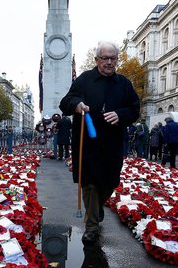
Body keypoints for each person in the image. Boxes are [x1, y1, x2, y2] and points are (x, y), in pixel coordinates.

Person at [59, 41, 140, 243]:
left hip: (112, 144)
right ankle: (92, 226)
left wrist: (120, 115)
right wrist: (76, 105)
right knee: (90, 185)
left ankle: (96, 209)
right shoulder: (84, 80)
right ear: (97, 60)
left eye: (113, 58)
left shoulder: (124, 84)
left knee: (110, 182)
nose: (109, 62)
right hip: (87, 144)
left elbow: (134, 109)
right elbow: (65, 102)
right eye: (105, 58)